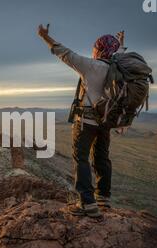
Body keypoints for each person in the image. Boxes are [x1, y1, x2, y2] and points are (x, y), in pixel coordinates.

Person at [38, 24, 126, 218]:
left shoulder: (91, 66)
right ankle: (103, 198)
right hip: (105, 122)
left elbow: (65, 53)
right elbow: (117, 53)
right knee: (102, 158)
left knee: (81, 158)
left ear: (99, 49)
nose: (93, 49)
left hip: (86, 122)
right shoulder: (117, 67)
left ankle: (87, 204)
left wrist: (45, 37)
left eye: (95, 47)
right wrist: (120, 44)